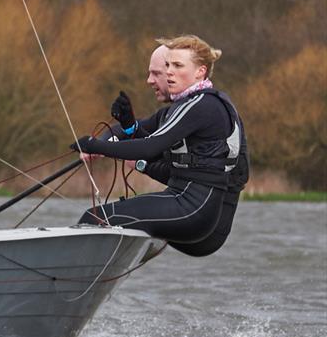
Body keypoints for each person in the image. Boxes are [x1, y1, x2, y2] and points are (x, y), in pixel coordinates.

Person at [75, 35, 249, 254]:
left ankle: (71, 282)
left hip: (199, 213)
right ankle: (89, 280)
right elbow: (157, 148)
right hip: (186, 201)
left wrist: (95, 146)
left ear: (200, 71)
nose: (169, 72)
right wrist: (127, 127)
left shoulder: (204, 105)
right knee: (105, 218)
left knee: (96, 217)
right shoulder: (184, 106)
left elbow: (150, 147)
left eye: (177, 66)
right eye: (167, 66)